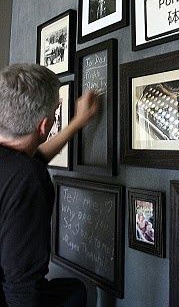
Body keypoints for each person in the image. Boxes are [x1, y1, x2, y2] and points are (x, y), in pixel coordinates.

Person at [0, 63, 99, 307]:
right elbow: (22, 287)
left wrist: (77, 122)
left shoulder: (16, 165)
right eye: (56, 112)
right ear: (45, 125)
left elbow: (33, 156)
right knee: (76, 292)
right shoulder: (27, 179)